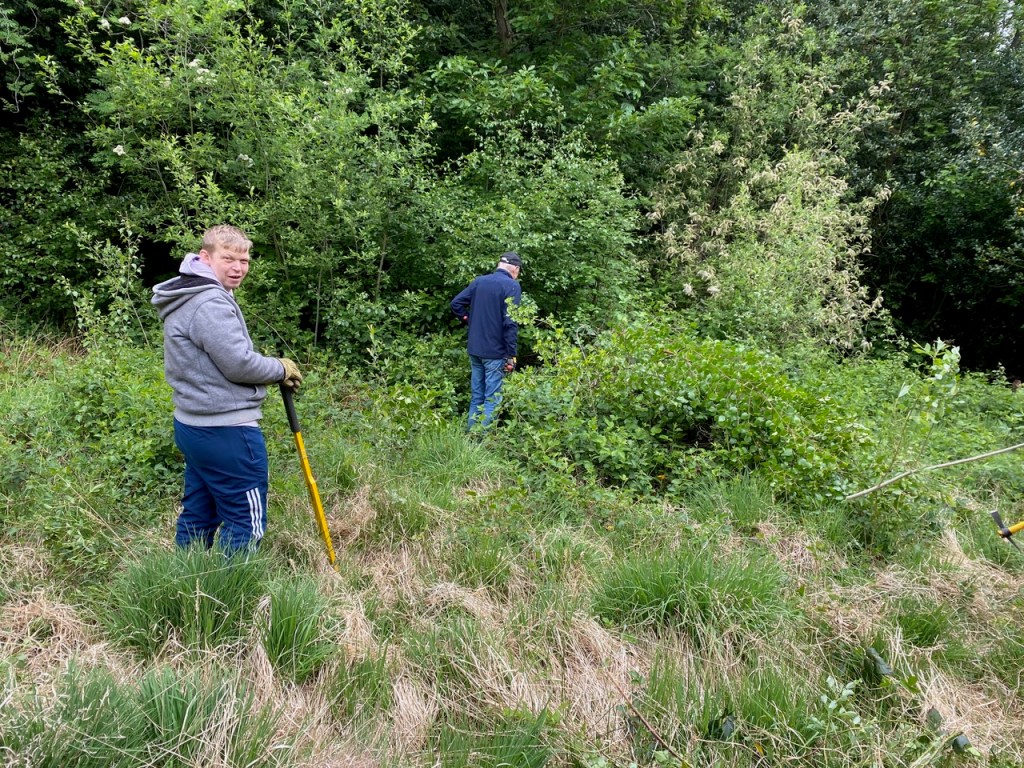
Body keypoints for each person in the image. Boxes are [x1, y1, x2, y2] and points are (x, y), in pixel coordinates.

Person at [151, 224, 303, 553]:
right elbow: (239, 364)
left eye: (244, 260)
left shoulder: (190, 293)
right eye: (228, 259)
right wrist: (280, 368)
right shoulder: (208, 303)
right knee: (245, 519)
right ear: (205, 257)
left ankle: (185, 588)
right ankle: (232, 598)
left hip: (194, 423)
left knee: (199, 513)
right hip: (226, 429)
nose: (237, 267)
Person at [450, 251, 523, 430]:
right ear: (515, 268)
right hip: (495, 352)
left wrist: (467, 319)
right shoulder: (511, 286)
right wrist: (511, 354)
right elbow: (510, 323)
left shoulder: (479, 282)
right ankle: (482, 442)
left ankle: (470, 438)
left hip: (475, 349)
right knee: (492, 398)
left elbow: (456, 304)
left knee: (477, 396)